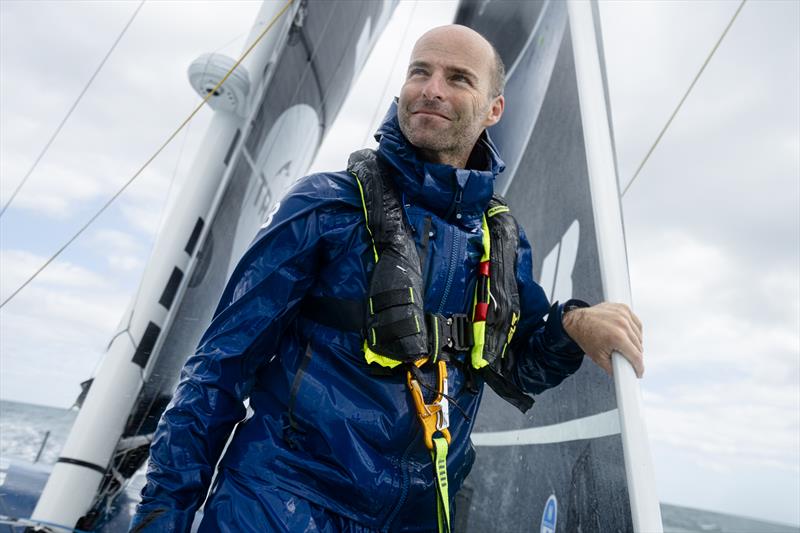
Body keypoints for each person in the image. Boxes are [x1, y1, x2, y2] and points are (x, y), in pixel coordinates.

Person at [130, 24, 643, 533]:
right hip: (279, 507)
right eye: (420, 71)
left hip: (412, 519)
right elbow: (218, 369)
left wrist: (574, 324)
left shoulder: (500, 238)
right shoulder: (326, 206)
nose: (432, 88)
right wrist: (162, 516)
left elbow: (517, 367)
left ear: (493, 109)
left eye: (458, 78)